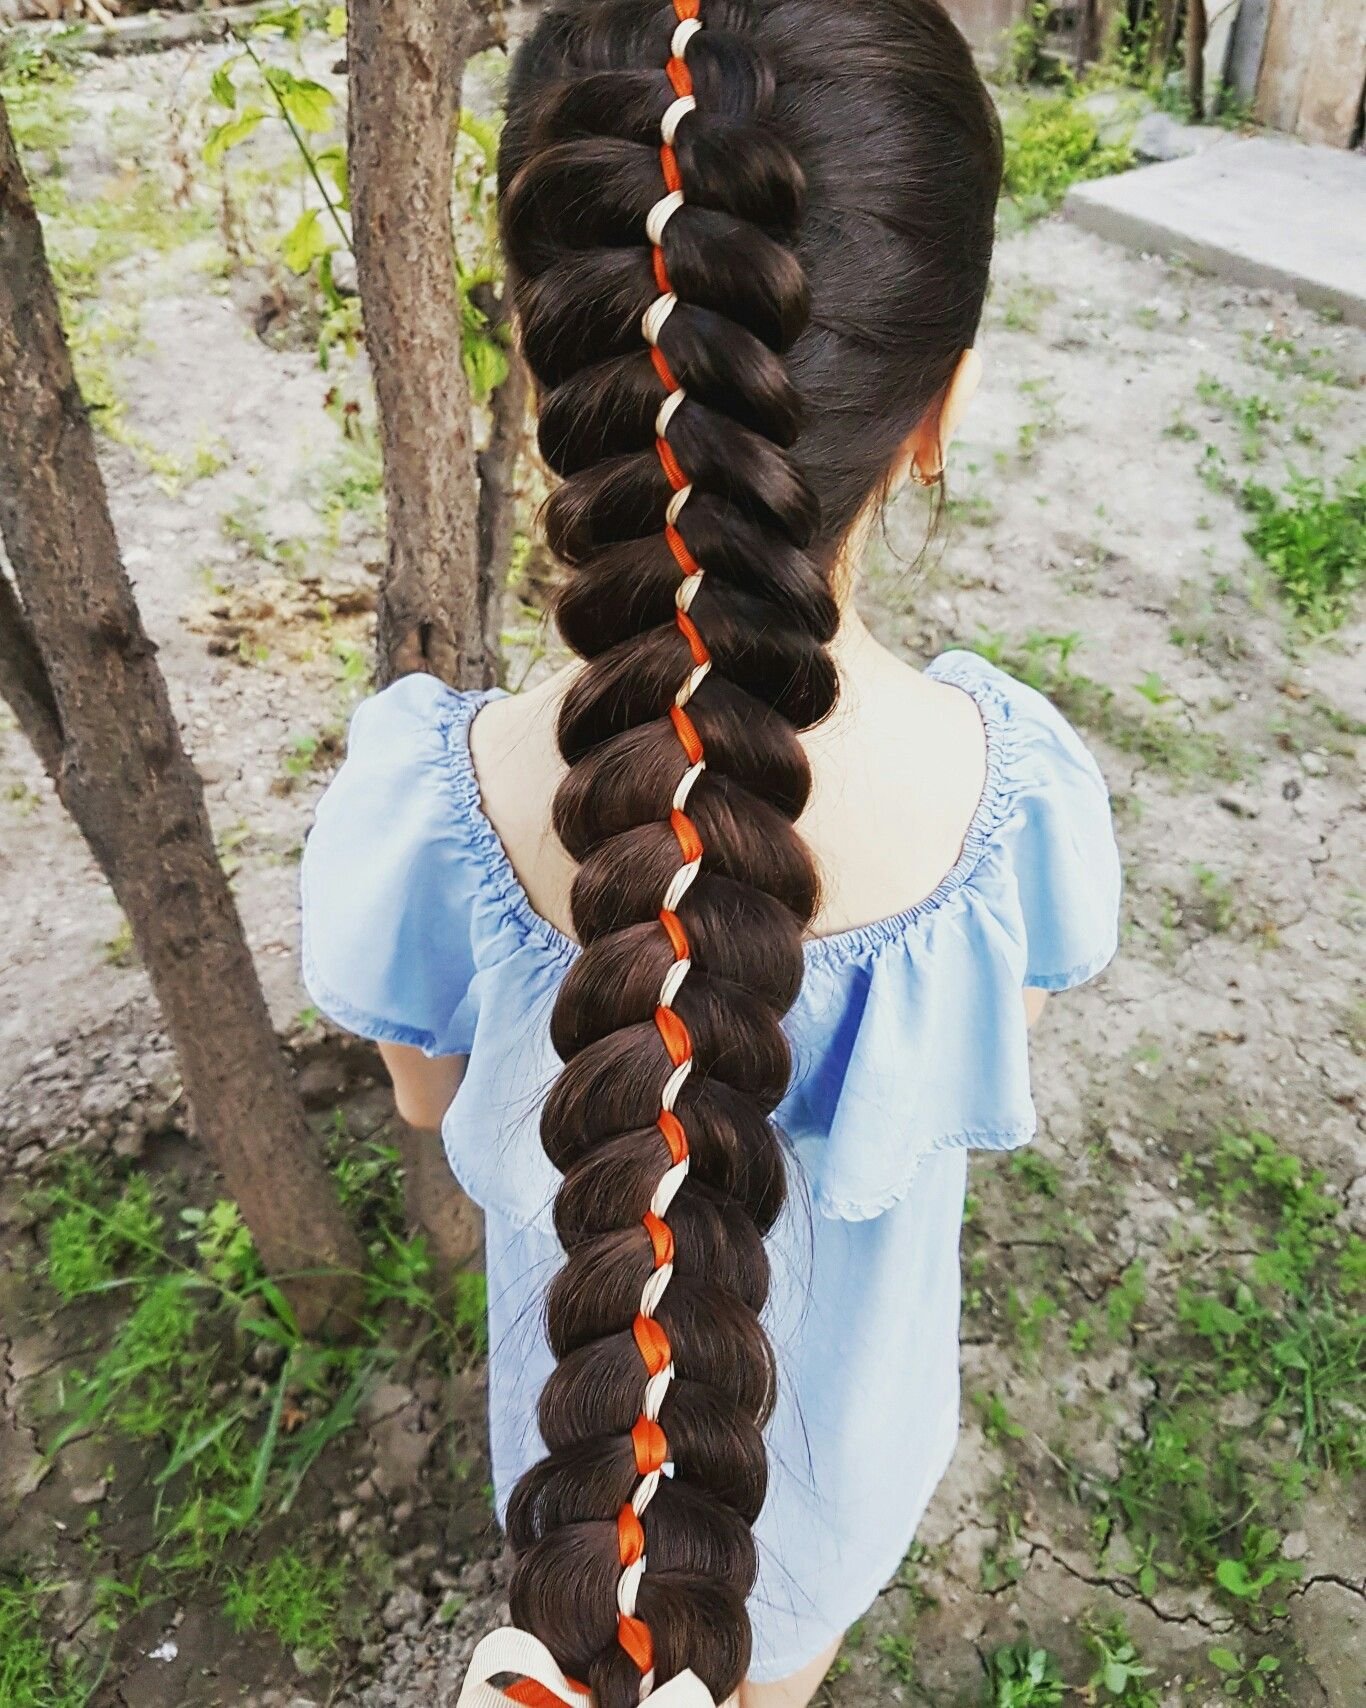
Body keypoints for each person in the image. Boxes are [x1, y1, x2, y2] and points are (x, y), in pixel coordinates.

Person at [300, 0, 1122, 1703]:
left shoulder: (429, 803)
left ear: (558, 374)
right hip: (836, 1479)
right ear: (939, 408)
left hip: (571, 1466)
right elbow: (989, 1060)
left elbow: (432, 1102)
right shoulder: (1014, 807)